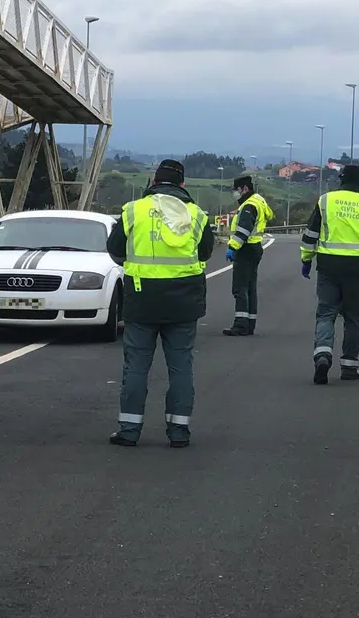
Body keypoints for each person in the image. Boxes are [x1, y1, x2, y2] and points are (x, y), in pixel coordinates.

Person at [106, 159, 216, 448]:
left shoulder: (134, 210)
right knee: (181, 367)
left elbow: (115, 249)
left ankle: (129, 430)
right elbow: (205, 253)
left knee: (136, 366)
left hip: (141, 300)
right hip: (184, 302)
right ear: (182, 184)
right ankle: (179, 431)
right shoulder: (196, 214)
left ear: (153, 182)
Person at [300, 164, 359, 384]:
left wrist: (306, 259)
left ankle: (323, 355)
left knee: (326, 313)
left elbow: (311, 234)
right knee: (352, 317)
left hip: (328, 266)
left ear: (341, 180)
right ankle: (349, 366)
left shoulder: (326, 201)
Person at [222, 175, 274, 336]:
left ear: (244, 189)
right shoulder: (258, 201)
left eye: (237, 190)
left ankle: (241, 324)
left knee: (240, 288)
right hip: (255, 247)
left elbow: (243, 230)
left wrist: (232, 246)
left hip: (246, 249)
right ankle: (250, 323)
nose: (235, 193)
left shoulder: (249, 205)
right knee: (250, 287)